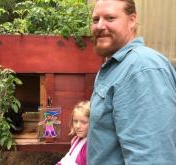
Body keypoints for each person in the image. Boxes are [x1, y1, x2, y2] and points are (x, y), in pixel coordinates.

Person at [88, 0, 176, 165]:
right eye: (95, 20)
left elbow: (151, 159)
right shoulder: (118, 65)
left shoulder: (141, 69)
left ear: (132, 20)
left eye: (110, 18)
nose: (99, 26)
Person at [56, 101, 90, 165]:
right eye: (75, 121)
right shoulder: (75, 140)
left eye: (83, 122)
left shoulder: (89, 146)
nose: (78, 126)